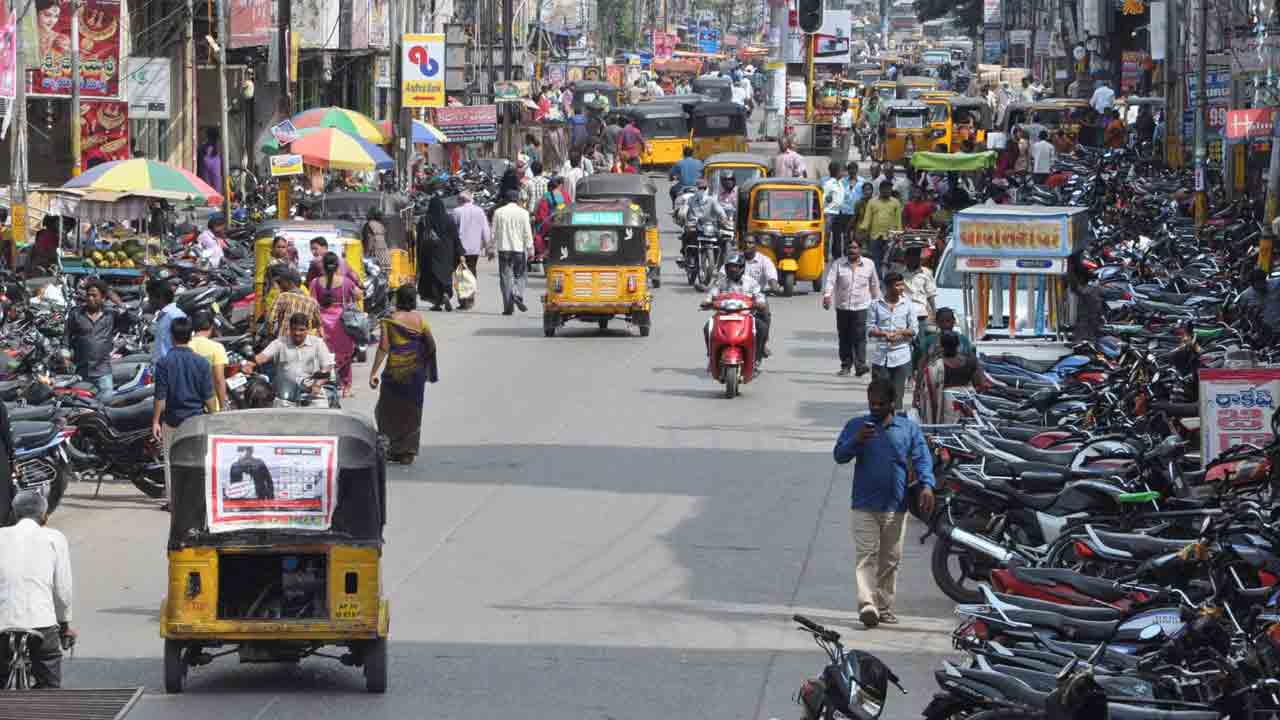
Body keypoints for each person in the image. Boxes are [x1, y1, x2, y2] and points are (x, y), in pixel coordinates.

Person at [833, 380, 936, 629]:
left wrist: (927, 485)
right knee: (866, 556)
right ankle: (867, 605)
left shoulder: (908, 429)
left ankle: (883, 606)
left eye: (881, 404)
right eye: (872, 404)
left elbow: (922, 458)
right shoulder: (857, 425)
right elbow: (840, 456)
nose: (875, 408)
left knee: (890, 560)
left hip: (896, 506)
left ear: (892, 403)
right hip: (863, 505)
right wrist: (857, 440)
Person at [0, 491, 75, 687]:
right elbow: (62, 590)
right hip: (42, 625)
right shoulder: (55, 538)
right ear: (44, 516)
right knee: (49, 680)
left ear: (14, 514)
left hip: (2, 626)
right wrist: (65, 625)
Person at [369, 286, 437, 464]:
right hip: (415, 374)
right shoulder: (420, 320)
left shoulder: (389, 320)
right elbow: (431, 345)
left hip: (394, 372)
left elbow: (383, 347)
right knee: (412, 411)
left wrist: (373, 372)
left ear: (398, 299)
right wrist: (425, 366)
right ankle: (408, 451)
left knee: (387, 410)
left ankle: (392, 447)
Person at [152, 317, 213, 505]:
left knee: (170, 461)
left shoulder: (164, 363)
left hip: (172, 420)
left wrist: (155, 421)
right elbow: (208, 396)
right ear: (190, 336)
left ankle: (174, 502)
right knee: (196, 460)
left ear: (172, 336)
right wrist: (214, 417)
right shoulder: (202, 363)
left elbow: (160, 397)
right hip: (195, 420)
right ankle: (196, 499)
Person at [823, 239, 880, 377]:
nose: (852, 250)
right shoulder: (838, 264)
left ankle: (860, 365)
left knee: (859, 337)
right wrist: (827, 295)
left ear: (860, 249)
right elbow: (830, 280)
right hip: (842, 307)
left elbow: (874, 284)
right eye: (850, 248)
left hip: (861, 306)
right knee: (844, 337)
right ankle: (846, 366)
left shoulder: (869, 264)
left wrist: (878, 303)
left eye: (855, 248)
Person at [701, 253, 769, 367]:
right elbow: (712, 294)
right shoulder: (721, 282)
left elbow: (759, 295)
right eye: (730, 267)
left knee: (762, 328)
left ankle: (757, 358)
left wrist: (760, 303)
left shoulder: (751, 282)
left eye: (736, 267)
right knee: (707, 327)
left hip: (745, 316)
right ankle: (711, 356)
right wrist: (707, 301)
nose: (733, 269)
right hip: (723, 316)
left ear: (742, 267)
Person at [310, 252, 363, 397]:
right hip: (341, 322)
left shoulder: (315, 282)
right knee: (345, 354)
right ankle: (346, 388)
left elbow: (313, 303)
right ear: (337, 266)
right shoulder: (346, 282)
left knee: (323, 355)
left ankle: (321, 385)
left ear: (323, 266)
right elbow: (359, 295)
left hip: (322, 322)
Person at [65, 278, 121, 399]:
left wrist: (118, 302)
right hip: (81, 370)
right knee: (79, 402)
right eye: (88, 295)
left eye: (94, 296)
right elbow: (66, 337)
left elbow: (133, 319)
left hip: (102, 370)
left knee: (106, 398)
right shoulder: (76, 314)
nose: (90, 298)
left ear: (103, 297)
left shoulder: (111, 315)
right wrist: (65, 356)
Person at [867, 271, 916, 408]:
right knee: (880, 397)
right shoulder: (875, 304)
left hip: (901, 356)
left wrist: (900, 333)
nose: (901, 288)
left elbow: (914, 330)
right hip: (880, 358)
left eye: (902, 285)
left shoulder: (908, 304)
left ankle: (896, 419)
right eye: (897, 285)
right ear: (888, 287)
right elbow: (870, 329)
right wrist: (884, 334)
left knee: (897, 397)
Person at [417, 196, 465, 312]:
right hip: (447, 252)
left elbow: (419, 239)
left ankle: (437, 303)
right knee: (446, 275)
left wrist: (418, 254)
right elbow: (455, 238)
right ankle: (446, 294)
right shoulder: (449, 219)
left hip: (430, 252)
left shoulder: (425, 219)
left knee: (433, 278)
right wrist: (460, 253)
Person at [493, 189, 535, 315]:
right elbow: (527, 232)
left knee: (505, 277)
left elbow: (494, 232)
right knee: (521, 275)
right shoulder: (524, 213)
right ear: (517, 200)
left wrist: (490, 247)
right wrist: (530, 248)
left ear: (506, 200)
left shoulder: (498, 212)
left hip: (503, 249)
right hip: (519, 250)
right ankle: (517, 293)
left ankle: (508, 307)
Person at [451, 192, 492, 310]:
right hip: (474, 248)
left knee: (460, 274)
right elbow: (485, 229)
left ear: (461, 200)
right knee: (472, 272)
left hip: (460, 249)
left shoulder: (456, 211)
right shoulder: (479, 211)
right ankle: (470, 298)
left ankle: (463, 300)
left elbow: (451, 230)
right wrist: (488, 246)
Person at [188, 310, 229, 412]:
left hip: (188, 404)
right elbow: (219, 380)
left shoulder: (185, 346)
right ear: (211, 327)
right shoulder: (217, 347)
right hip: (211, 406)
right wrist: (223, 406)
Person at [858, 181, 903, 274]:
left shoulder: (895, 202)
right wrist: (862, 230)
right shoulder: (872, 202)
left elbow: (898, 220)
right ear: (880, 189)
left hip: (890, 236)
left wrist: (899, 234)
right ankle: (878, 278)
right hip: (875, 235)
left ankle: (886, 277)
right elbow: (867, 218)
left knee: (887, 260)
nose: (887, 191)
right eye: (885, 188)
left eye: (889, 189)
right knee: (876, 259)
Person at [266, 268, 322, 339]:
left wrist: (272, 334)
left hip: (284, 340)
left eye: (281, 282)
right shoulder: (313, 302)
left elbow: (270, 320)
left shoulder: (283, 296)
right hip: (304, 341)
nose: (280, 286)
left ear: (289, 282)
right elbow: (318, 324)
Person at [148, 278, 187, 363]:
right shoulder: (164, 314)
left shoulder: (174, 315)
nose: (149, 301)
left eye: (150, 297)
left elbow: (182, 347)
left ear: (160, 297)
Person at [896, 246, 937, 326]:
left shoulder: (926, 272)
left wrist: (934, 313)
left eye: (916, 256)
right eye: (911, 256)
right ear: (906, 258)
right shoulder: (899, 272)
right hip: (903, 312)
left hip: (920, 313)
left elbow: (931, 295)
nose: (914, 259)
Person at [260, 234, 298, 316]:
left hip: (287, 297)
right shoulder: (271, 263)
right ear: (273, 248)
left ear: (286, 248)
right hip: (275, 296)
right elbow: (267, 284)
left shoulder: (289, 262)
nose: (281, 249)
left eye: (283, 247)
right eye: (278, 247)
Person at [823, 161, 848, 260]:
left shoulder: (840, 183)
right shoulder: (829, 184)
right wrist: (827, 199)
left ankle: (836, 255)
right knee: (827, 235)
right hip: (829, 212)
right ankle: (824, 256)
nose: (843, 173)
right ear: (837, 171)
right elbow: (824, 198)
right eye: (841, 171)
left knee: (837, 236)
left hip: (838, 212)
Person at [361, 206, 393, 271]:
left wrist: (367, 253)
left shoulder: (368, 225)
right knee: (385, 269)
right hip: (384, 250)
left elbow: (370, 239)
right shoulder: (381, 225)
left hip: (375, 250)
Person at [197, 129, 222, 199]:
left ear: (208, 137)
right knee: (215, 189)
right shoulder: (218, 149)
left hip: (206, 169)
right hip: (213, 169)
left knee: (207, 189)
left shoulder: (202, 148)